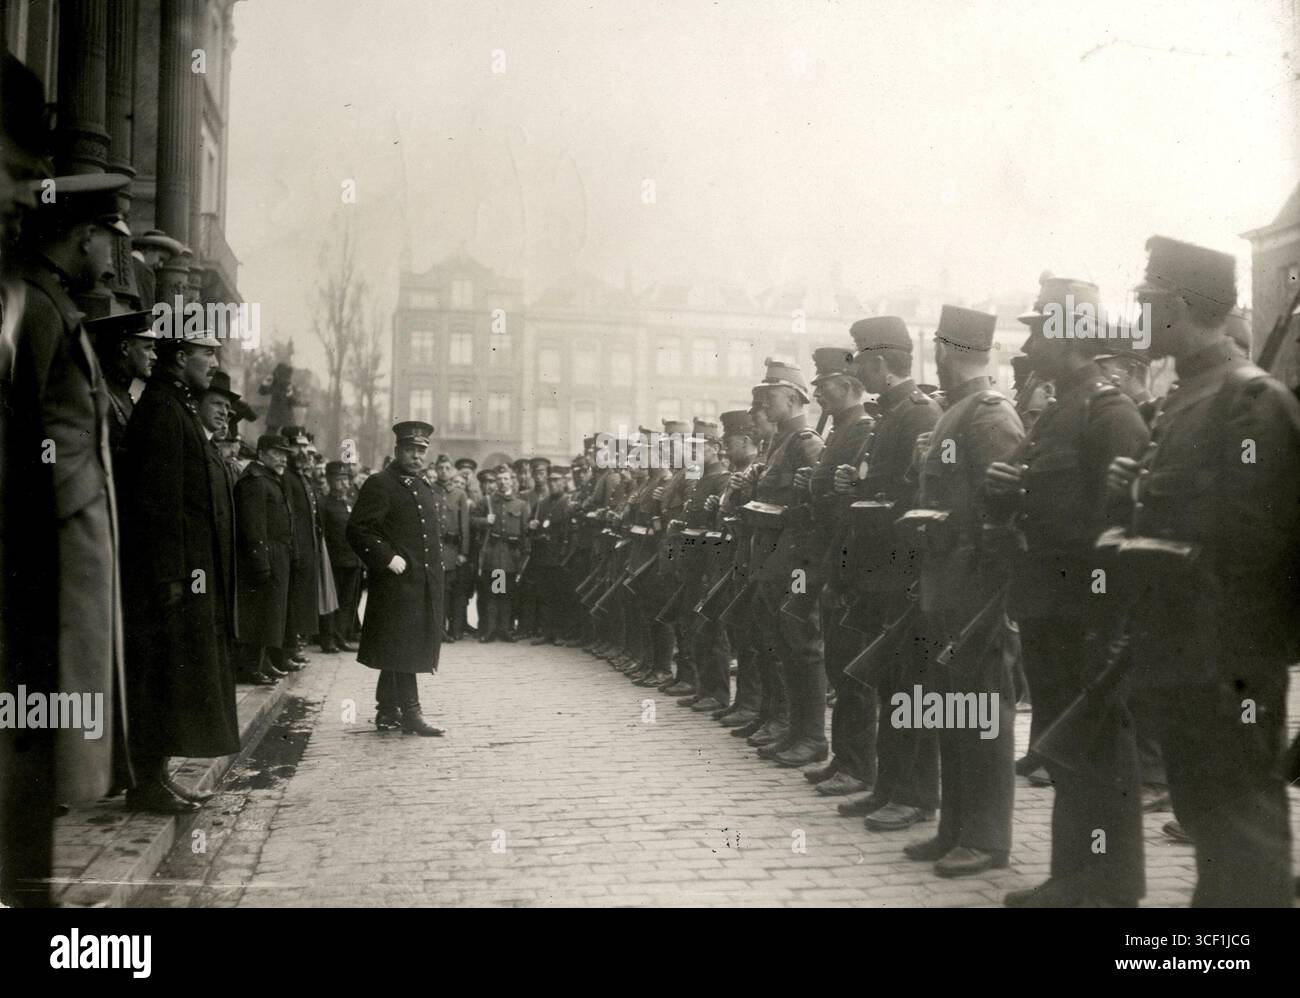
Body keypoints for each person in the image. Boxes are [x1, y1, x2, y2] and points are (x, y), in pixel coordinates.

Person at [1108, 236, 1300, 906]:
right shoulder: (1186, 401)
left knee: (1244, 834)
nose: (1140, 320)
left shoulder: (1247, 400)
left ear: (1182, 305)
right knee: (1211, 832)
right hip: (1183, 657)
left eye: (1149, 305)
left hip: (1230, 664)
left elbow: (1257, 551)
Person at [985, 276, 1150, 907]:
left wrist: (1106, 612)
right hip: (1049, 603)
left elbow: (1122, 520)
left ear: (1066, 335)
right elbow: (1030, 505)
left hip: (1086, 607)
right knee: (1063, 743)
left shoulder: (1108, 411)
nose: (1029, 340)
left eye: (1037, 328)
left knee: (1098, 744)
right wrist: (1002, 496)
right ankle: (1073, 875)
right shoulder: (1056, 411)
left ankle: (1110, 886)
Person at [0, 162, 132, 904]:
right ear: (80, 238)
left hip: (61, 538)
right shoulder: (39, 307)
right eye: (107, 241)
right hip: (43, 546)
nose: (112, 257)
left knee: (49, 716)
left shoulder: (49, 301)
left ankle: (30, 884)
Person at [902, 305, 1023, 877]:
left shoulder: (990, 415)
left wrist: (996, 597)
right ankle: (955, 825)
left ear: (945, 353)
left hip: (976, 592)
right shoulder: (958, 413)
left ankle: (987, 836)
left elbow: (1005, 516)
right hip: (946, 587)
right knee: (953, 710)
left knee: (984, 713)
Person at [118, 326, 238, 814]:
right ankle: (146, 784)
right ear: (179, 355)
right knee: (161, 674)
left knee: (174, 675)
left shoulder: (177, 404)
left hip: (188, 572)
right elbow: (159, 502)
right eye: (206, 353)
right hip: (171, 575)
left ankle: (158, 776)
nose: (213, 362)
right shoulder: (165, 410)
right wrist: (171, 574)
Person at [831, 318, 943, 821]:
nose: (857, 368)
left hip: (904, 570)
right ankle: (889, 785)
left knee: (912, 684)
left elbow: (916, 499)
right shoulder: (892, 414)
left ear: (879, 362)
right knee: (891, 681)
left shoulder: (919, 415)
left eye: (860, 359)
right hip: (881, 570)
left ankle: (916, 795)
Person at [791, 346, 876, 775]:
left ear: (845, 385)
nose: (818, 393)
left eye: (823, 385)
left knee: (851, 669)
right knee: (840, 665)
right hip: (828, 557)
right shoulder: (841, 429)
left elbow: (849, 506)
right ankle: (846, 757)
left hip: (845, 560)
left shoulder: (860, 429)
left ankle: (857, 763)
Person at [748, 359, 826, 766]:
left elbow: (819, 507)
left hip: (796, 562)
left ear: (794, 398)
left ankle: (812, 735)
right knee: (781, 643)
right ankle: (792, 728)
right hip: (774, 559)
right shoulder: (778, 444)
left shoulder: (806, 442)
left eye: (769, 395)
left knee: (801, 644)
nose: (763, 402)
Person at [347, 421, 446, 736]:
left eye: (421, 450)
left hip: (420, 583)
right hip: (395, 584)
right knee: (405, 647)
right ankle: (411, 713)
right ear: (397, 450)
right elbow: (358, 529)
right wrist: (386, 557)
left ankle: (387, 710)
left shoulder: (422, 486)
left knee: (400, 646)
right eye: (410, 449)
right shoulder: (380, 484)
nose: (416, 456)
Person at [234, 434, 298, 685]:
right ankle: (251, 666)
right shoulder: (255, 481)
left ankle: (263, 662)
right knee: (258, 613)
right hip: (264, 555)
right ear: (261, 453)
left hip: (277, 554)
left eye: (285, 453)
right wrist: (260, 562)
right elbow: (254, 527)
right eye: (276, 452)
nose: (282, 458)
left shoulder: (270, 479)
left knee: (271, 614)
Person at [85, 309, 159, 458]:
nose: (154, 357)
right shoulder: (98, 396)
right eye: (148, 348)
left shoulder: (125, 394)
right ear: (125, 348)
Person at [473, 464, 529, 642]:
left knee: (506, 593)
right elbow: (471, 520)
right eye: (499, 480)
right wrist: (484, 521)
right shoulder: (488, 502)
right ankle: (491, 630)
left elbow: (524, 532)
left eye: (506, 479)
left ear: (512, 481)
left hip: (511, 555)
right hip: (494, 553)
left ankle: (504, 629)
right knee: (493, 592)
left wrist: (524, 555)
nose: (503, 483)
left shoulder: (520, 504)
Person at [279, 425, 319, 667]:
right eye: (298, 446)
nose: (303, 451)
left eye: (305, 446)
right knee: (291, 603)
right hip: (295, 548)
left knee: (300, 601)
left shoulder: (301, 475)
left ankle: (293, 647)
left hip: (306, 547)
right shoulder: (286, 476)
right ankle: (286, 651)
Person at [530, 464, 574, 645]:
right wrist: (531, 526)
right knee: (545, 595)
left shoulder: (568, 503)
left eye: (557, 480)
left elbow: (570, 532)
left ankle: (560, 633)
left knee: (560, 596)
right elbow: (531, 528)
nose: (553, 483)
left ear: (564, 481)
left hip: (559, 556)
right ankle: (547, 632)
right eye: (551, 480)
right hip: (542, 556)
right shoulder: (541, 504)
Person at [320, 461, 361, 653]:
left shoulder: (351, 503)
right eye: (339, 480)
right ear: (330, 481)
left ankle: (341, 636)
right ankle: (328, 639)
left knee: (347, 601)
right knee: (331, 601)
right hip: (333, 562)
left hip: (352, 560)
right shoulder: (324, 504)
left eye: (346, 480)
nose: (345, 484)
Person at [431, 453, 471, 641]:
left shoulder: (459, 494)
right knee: (436, 592)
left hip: (451, 550)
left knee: (449, 591)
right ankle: (437, 629)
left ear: (453, 471)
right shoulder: (429, 491)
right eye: (440, 468)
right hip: (433, 550)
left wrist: (463, 552)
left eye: (447, 468)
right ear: (436, 470)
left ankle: (447, 629)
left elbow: (464, 525)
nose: (444, 471)